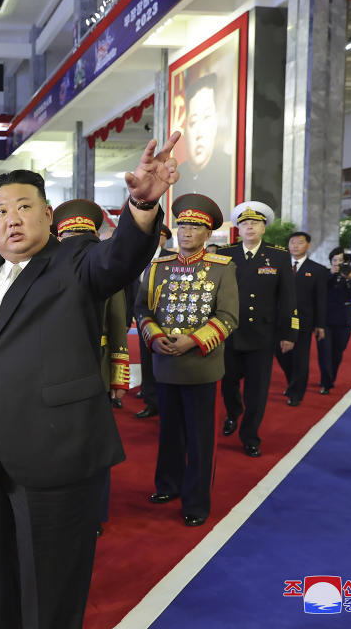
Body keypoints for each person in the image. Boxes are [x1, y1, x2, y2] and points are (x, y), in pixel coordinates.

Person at [0, 133, 180, 629]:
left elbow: (118, 259)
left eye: (23, 207)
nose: (11, 219)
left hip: (57, 457)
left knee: (53, 587)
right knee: (2, 580)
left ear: (48, 215)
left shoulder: (74, 261)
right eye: (0, 212)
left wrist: (142, 205)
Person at [136, 193, 238, 527]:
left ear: (208, 234)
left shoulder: (222, 268)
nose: (186, 232)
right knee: (169, 432)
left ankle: (196, 501)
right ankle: (168, 484)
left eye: (195, 227)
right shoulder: (158, 267)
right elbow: (143, 309)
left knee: (199, 437)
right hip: (165, 363)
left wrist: (192, 341)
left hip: (201, 365)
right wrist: (153, 335)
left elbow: (228, 316)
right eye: (182, 225)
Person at [53, 198, 130, 536]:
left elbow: (117, 326)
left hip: (94, 369)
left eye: (83, 239)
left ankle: (95, 511)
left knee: (95, 445)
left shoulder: (104, 271)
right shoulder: (46, 266)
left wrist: (117, 378)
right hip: (53, 373)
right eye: (69, 239)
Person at [217, 201, 298, 458]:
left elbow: (288, 298)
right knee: (228, 382)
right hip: (229, 332)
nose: (249, 227)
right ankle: (233, 412)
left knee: (257, 390)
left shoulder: (278, 256)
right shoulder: (225, 254)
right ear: (238, 229)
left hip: (262, 335)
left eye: (255, 223)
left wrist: (289, 333)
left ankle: (250, 436)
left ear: (264, 228)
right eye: (244, 223)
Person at [128, 223, 177, 419]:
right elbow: (131, 285)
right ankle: (150, 401)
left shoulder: (171, 258)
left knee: (165, 360)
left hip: (166, 319)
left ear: (165, 239)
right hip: (142, 317)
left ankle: (167, 401)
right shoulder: (137, 256)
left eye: (160, 236)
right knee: (146, 359)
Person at [275, 232, 327, 406]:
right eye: (292, 242)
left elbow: (321, 299)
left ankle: (296, 393)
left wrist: (320, 324)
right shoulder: (278, 266)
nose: (295, 246)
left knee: (300, 357)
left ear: (308, 245)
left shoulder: (317, 270)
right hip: (279, 320)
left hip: (303, 321)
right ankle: (292, 383)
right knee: (281, 355)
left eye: (299, 243)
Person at [175, 73, 231, 205]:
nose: (199, 133)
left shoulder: (229, 174)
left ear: (216, 122)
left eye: (206, 118)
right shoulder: (176, 179)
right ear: (185, 129)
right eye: (193, 122)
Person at [317, 247, 351, 394]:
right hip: (325, 320)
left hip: (344, 319)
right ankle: (326, 382)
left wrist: (349, 278)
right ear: (330, 262)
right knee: (324, 352)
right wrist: (331, 274)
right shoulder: (324, 274)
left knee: (337, 352)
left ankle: (330, 378)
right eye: (334, 260)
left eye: (341, 261)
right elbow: (319, 289)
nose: (337, 263)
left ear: (347, 262)